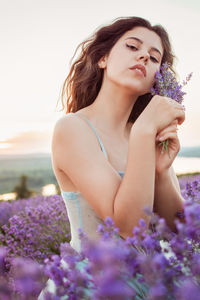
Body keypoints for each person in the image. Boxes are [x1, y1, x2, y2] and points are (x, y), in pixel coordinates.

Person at [38, 16, 185, 299]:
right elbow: (130, 227)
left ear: (156, 80)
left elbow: (178, 228)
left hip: (151, 276)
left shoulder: (145, 132)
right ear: (103, 58)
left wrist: (162, 171)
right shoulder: (73, 129)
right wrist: (144, 130)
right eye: (133, 46)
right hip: (93, 282)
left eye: (155, 58)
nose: (144, 56)